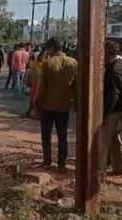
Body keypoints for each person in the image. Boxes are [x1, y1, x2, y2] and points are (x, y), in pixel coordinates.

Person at [36, 37, 77, 172]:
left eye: (48, 48)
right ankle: (61, 164)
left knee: (46, 135)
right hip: (64, 105)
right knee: (62, 135)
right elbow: (76, 85)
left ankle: (47, 161)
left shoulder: (48, 63)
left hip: (48, 105)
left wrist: (37, 102)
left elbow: (42, 86)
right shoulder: (73, 63)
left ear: (52, 48)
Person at [100, 41, 122, 176]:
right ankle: (118, 168)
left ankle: (99, 172)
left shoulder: (114, 70)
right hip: (119, 110)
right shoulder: (117, 65)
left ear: (108, 52)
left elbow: (113, 95)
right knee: (116, 140)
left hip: (113, 111)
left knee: (103, 143)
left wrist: (105, 113)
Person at [25, 51, 45, 118]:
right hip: (35, 84)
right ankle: (35, 112)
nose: (42, 58)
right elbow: (31, 74)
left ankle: (36, 112)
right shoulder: (33, 64)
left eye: (44, 57)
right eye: (41, 56)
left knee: (38, 99)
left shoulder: (45, 64)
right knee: (34, 99)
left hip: (42, 85)